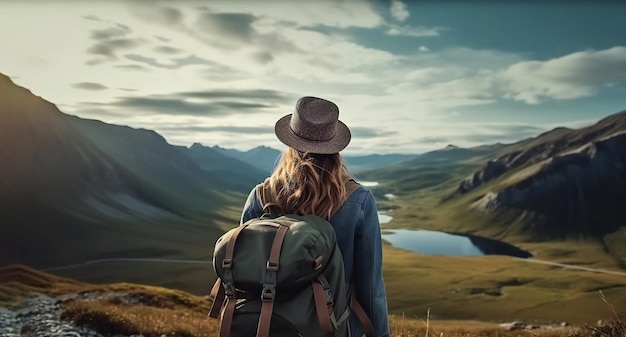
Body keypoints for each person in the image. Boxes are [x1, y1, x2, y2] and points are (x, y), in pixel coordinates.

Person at [240, 96, 391, 337]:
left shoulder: (261, 195)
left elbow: (245, 268)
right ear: (335, 149)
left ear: (290, 144)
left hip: (269, 326)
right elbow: (371, 290)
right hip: (334, 327)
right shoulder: (358, 201)